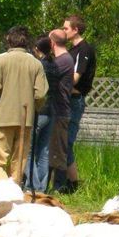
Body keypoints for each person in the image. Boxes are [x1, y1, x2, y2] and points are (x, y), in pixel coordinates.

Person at [0, 25, 48, 184]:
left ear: (9, 40)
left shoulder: (1, 60)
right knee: (18, 163)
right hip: (26, 121)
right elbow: (41, 94)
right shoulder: (36, 64)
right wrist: (35, 107)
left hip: (3, 119)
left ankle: (3, 192)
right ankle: (14, 192)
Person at [64, 14, 96, 193]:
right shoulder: (71, 50)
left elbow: (75, 78)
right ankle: (64, 180)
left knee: (67, 141)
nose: (64, 31)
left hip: (75, 100)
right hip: (68, 99)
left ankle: (73, 183)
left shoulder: (84, 50)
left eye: (66, 28)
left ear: (75, 30)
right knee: (61, 141)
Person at [24, 35, 57, 192]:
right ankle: (42, 187)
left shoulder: (39, 66)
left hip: (40, 111)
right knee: (44, 151)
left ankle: (32, 185)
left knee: (28, 151)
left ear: (37, 50)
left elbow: (37, 91)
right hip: (52, 111)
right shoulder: (54, 65)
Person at [46, 27, 75, 193]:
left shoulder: (63, 61)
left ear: (52, 43)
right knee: (54, 149)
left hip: (60, 111)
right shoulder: (65, 59)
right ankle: (54, 185)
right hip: (58, 110)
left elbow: (46, 74)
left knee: (58, 151)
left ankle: (59, 187)